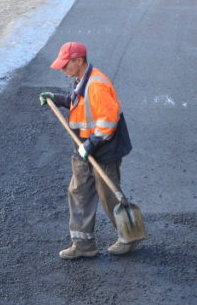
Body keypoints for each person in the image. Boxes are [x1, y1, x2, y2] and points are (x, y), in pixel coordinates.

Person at [39, 42, 136, 260]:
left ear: (79, 61)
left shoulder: (96, 84)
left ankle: (129, 237)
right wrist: (56, 99)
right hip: (84, 150)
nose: (62, 69)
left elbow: (108, 121)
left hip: (104, 151)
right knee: (79, 193)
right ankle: (83, 244)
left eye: (65, 64)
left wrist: (90, 145)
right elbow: (77, 103)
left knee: (109, 195)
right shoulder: (81, 81)